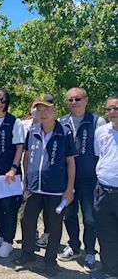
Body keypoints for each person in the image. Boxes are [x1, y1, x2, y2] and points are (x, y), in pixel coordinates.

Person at [14, 94, 76, 277]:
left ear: (54, 110)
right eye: (38, 110)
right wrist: (25, 184)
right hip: (33, 188)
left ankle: (50, 260)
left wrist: (69, 189)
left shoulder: (64, 133)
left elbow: (71, 162)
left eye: (46, 109)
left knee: (55, 226)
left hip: (56, 189)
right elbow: (26, 157)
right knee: (27, 220)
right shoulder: (32, 130)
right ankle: (27, 253)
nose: (42, 113)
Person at [58, 88, 106, 272]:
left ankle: (90, 252)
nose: (74, 102)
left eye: (78, 98)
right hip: (66, 180)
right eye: (70, 99)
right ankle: (74, 246)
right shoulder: (62, 122)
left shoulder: (97, 121)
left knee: (90, 219)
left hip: (89, 180)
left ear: (86, 100)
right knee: (69, 215)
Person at [0, 88, 25, 258]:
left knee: (9, 208)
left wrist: (14, 168)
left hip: (8, 174)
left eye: (2, 100)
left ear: (7, 102)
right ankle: (0, 234)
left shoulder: (14, 122)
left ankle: (8, 241)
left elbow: (20, 147)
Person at [91, 93, 118, 279]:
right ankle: (109, 269)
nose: (112, 112)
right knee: (106, 234)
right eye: (108, 109)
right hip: (103, 191)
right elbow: (99, 155)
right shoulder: (101, 131)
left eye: (116, 108)